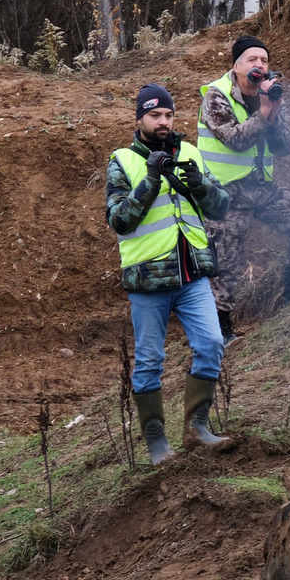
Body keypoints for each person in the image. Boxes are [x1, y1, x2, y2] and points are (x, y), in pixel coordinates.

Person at [109, 84, 231, 464]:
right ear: (139, 119)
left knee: (211, 343)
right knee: (148, 360)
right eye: (155, 116)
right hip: (148, 281)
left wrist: (200, 183)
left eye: (168, 115)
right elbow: (119, 221)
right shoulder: (123, 161)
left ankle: (197, 427)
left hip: (192, 274)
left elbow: (221, 208)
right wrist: (149, 179)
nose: (163, 122)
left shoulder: (191, 153)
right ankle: (156, 441)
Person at [198, 34, 290, 314]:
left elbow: (285, 147)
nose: (260, 65)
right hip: (225, 192)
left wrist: (273, 115)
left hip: (261, 186)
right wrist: (263, 114)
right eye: (252, 59)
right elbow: (236, 142)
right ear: (237, 66)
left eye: (264, 60)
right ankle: (222, 325)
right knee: (226, 257)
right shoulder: (216, 96)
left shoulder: (269, 95)